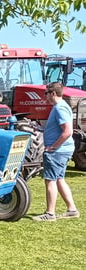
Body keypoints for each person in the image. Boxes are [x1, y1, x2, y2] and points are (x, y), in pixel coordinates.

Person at [32, 82, 80, 221]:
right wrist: (40, 129)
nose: (45, 96)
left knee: (50, 181)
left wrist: (53, 146)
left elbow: (67, 131)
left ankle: (50, 213)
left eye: (46, 93)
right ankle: (72, 209)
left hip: (58, 151)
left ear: (53, 93)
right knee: (59, 179)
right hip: (62, 150)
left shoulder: (60, 108)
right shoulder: (60, 107)